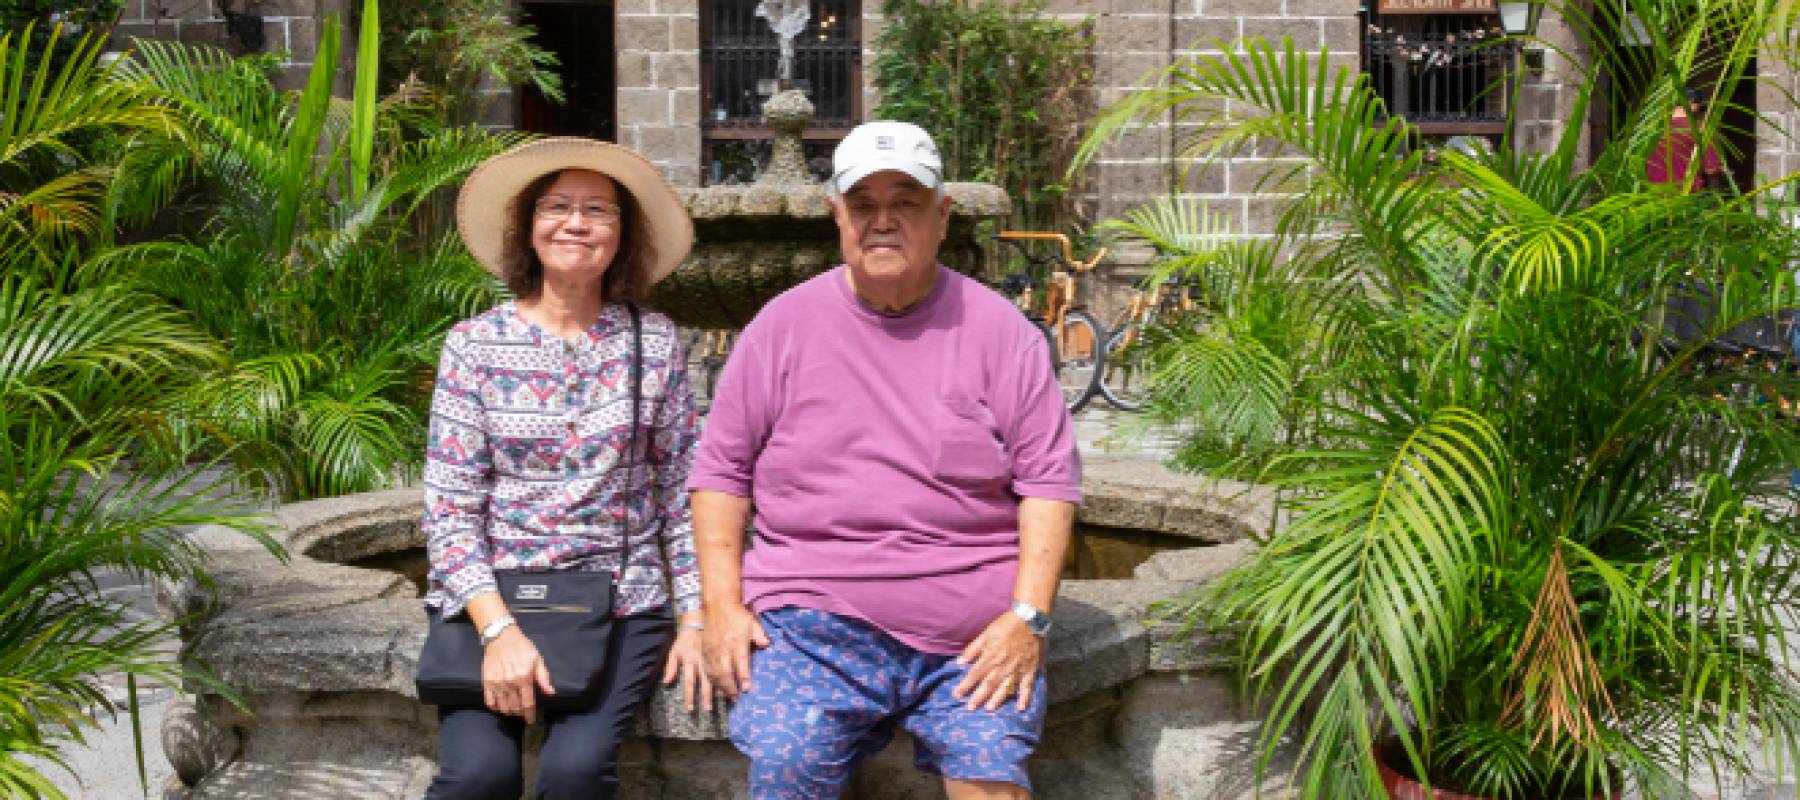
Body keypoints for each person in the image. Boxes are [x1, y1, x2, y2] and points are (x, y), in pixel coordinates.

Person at [688, 121, 1082, 799]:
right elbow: (720, 473)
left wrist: (1029, 618)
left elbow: (1048, 482)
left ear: (943, 213)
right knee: (788, 758)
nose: (883, 222)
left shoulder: (1001, 333)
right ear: (836, 214)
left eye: (905, 201)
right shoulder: (781, 327)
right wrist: (721, 606)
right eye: (863, 204)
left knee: (991, 773)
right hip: (811, 621)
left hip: (972, 631)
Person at [421, 137, 708, 799]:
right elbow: (450, 508)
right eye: (557, 206)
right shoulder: (474, 345)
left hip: (620, 600)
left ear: (622, 235)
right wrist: (498, 631)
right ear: (529, 227)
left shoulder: (654, 341)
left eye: (598, 211)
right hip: (493, 596)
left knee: (575, 776)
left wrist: (694, 617)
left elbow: (679, 494)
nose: (575, 223)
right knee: (475, 780)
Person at [1647, 88, 1727, 191]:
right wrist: (1722, 170)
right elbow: (1711, 169)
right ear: (1691, 103)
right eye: (1700, 107)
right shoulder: (1697, 129)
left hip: (1652, 196)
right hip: (1685, 196)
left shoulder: (1653, 130)